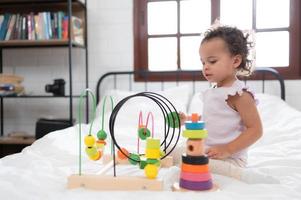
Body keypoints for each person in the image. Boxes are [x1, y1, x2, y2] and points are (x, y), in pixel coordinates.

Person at [177, 26, 278, 184]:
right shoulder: (212, 92)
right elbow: (212, 120)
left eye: (212, 61)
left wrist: (228, 149)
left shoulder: (240, 95)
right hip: (208, 151)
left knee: (194, 165)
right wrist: (187, 120)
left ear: (236, 61)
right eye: (203, 62)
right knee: (174, 152)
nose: (205, 67)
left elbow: (256, 130)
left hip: (231, 158)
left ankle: (244, 176)